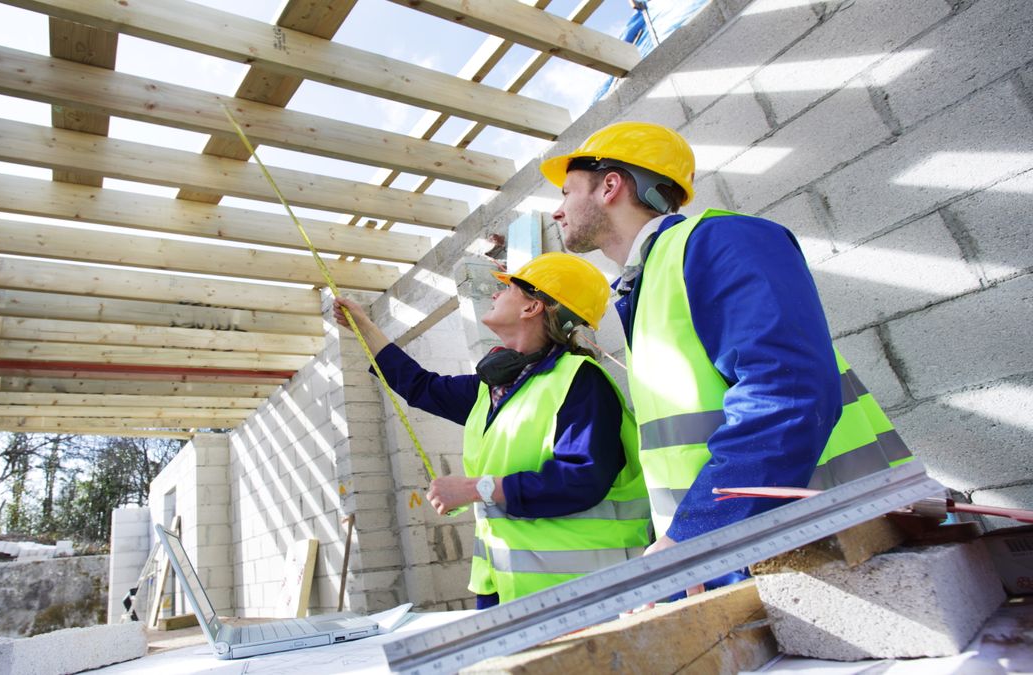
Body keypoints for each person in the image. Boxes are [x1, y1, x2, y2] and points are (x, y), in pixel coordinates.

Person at [540, 122, 913, 594]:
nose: (557, 211)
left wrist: (695, 535)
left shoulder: (718, 242)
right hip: (757, 556)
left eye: (567, 191)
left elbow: (786, 394)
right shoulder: (651, 279)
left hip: (841, 547)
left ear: (610, 185)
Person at [331, 253, 651, 607]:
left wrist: (475, 488)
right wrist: (363, 327)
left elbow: (582, 479)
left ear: (532, 308)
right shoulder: (493, 389)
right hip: (503, 586)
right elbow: (420, 386)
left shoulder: (580, 381)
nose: (495, 295)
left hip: (578, 592)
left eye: (507, 289)